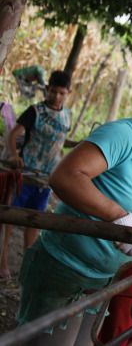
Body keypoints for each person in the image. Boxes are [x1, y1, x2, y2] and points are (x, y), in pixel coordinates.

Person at [16, 67, 132, 346]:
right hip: (65, 268)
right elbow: (65, 176)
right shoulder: (123, 135)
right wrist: (117, 215)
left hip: (104, 280)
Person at [0, 70, 72, 279]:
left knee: (34, 223)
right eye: (53, 91)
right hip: (25, 175)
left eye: (61, 93)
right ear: (47, 90)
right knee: (11, 219)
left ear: (68, 93)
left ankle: (26, 266)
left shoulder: (67, 116)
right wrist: (14, 155)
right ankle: (3, 262)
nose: (56, 97)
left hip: (46, 179)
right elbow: (13, 135)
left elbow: (59, 142)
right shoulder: (35, 112)